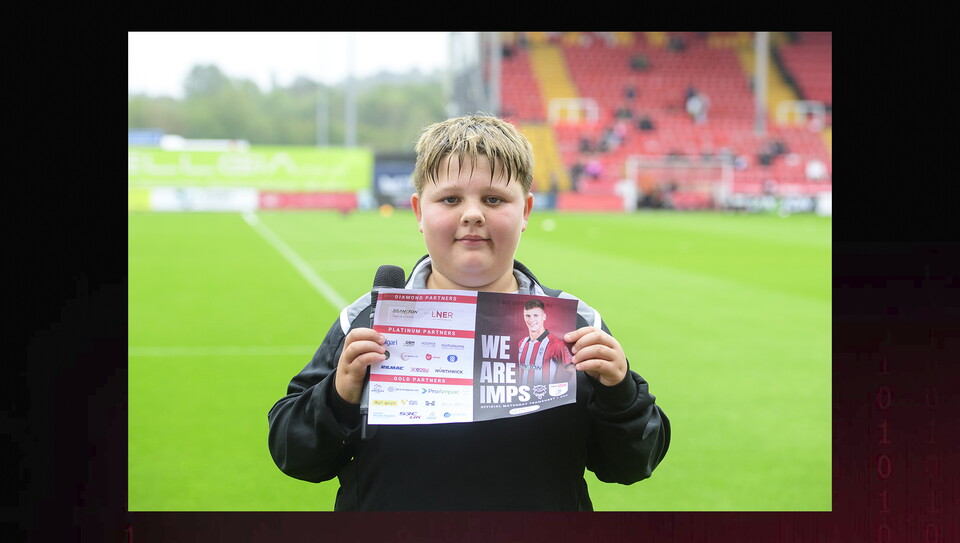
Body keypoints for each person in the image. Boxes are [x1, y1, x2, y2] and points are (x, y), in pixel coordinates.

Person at [267, 114, 670, 511]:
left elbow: (631, 463)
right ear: (418, 212)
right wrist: (338, 397)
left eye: (494, 199)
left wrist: (621, 394)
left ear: (526, 210)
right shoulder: (366, 321)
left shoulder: (576, 325)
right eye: (450, 199)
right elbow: (295, 454)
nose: (473, 214)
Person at [516, 299, 576, 386]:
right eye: (528, 316)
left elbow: (572, 371)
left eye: (536, 315)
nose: (531, 320)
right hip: (522, 395)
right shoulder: (522, 342)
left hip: (544, 397)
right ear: (524, 317)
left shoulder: (556, 344)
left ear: (544, 317)